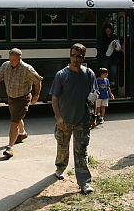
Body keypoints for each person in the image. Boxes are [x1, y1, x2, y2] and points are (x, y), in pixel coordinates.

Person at [50, 43, 98, 194]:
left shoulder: (89, 74)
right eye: (73, 56)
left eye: (79, 56)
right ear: (69, 56)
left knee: (81, 151)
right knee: (62, 147)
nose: (75, 59)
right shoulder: (61, 75)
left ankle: (85, 182)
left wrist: (93, 116)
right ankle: (60, 168)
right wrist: (58, 118)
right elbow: (55, 98)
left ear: (84, 58)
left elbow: (93, 96)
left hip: (82, 120)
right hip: (64, 121)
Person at [0, 48, 43, 158]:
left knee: (14, 121)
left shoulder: (26, 68)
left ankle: (10, 148)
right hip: (11, 97)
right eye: (10, 59)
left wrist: (37, 95)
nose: (12, 61)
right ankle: (22, 133)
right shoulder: (5, 65)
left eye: (14, 59)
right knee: (17, 118)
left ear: (20, 58)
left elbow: (38, 81)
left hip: (23, 98)